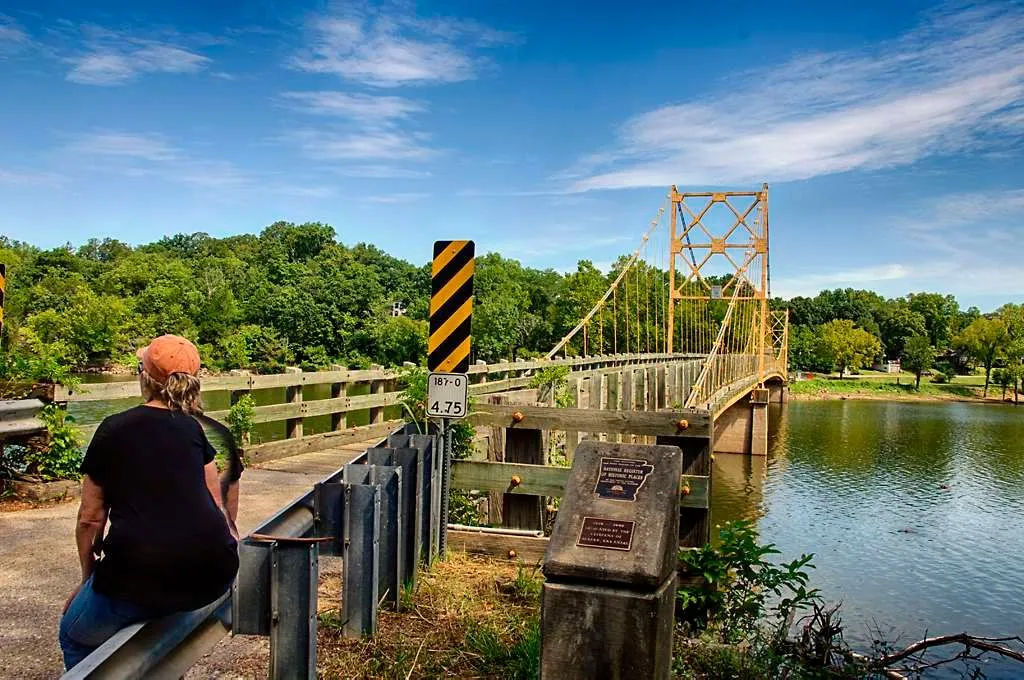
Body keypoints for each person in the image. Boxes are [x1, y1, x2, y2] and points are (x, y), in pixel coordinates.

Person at [58, 334, 243, 670]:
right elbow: (218, 508)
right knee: (163, 625)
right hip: (213, 575)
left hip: (138, 577)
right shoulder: (194, 430)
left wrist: (88, 579)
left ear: (144, 377)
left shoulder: (115, 430)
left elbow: (90, 519)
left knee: (73, 632)